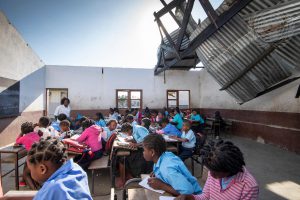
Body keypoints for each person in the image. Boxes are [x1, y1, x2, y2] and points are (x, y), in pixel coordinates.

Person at [176, 140, 259, 200]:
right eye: (210, 170)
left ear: (229, 169)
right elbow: (205, 196)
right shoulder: (213, 172)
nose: (210, 174)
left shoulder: (249, 186)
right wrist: (189, 197)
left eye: (215, 173)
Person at [27, 138, 92, 200]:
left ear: (42, 169)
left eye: (30, 170)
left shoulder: (51, 189)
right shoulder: (77, 169)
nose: (31, 173)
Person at [116, 123, 151, 187]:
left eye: (126, 133)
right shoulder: (134, 130)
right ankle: (126, 176)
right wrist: (131, 139)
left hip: (145, 150)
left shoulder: (139, 129)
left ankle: (129, 177)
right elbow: (138, 138)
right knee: (121, 158)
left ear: (129, 130)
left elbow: (147, 140)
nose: (127, 135)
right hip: (140, 148)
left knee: (124, 159)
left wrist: (136, 145)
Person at [15, 122, 41, 189]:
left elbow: (17, 142)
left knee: (26, 174)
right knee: (26, 164)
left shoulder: (24, 138)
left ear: (22, 131)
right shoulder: (36, 134)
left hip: (33, 157)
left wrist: (21, 133)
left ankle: (34, 190)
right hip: (40, 156)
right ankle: (24, 182)